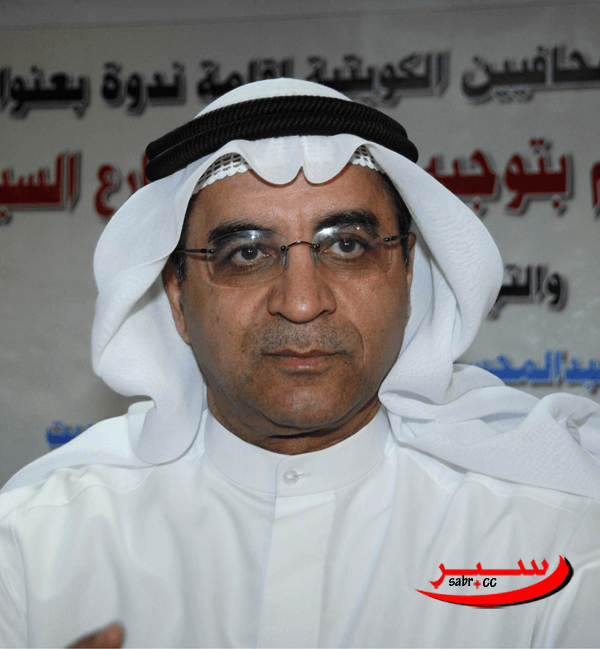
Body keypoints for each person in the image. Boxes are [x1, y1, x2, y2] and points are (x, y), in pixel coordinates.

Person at [1, 78, 599, 648]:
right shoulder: (35, 545)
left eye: (347, 245)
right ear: (178, 298)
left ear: (408, 273)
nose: (303, 301)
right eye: (246, 253)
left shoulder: (550, 534)